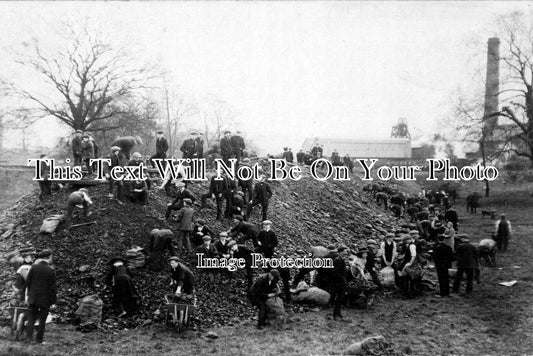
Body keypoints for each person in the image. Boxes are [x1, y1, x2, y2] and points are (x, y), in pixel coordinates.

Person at [25, 249, 56, 344]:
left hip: (33, 298)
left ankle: (28, 339)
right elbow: (52, 289)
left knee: (31, 318)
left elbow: (28, 283)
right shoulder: (51, 271)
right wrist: (53, 302)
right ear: (48, 257)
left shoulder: (33, 267)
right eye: (51, 257)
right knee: (42, 320)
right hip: (44, 300)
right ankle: (39, 340)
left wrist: (29, 295)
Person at [329, 245, 348, 320]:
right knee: (339, 298)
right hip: (338, 282)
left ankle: (338, 313)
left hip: (340, 281)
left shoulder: (340, 259)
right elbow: (335, 272)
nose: (346, 252)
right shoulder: (338, 260)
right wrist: (342, 278)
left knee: (340, 299)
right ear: (341, 252)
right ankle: (336, 315)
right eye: (345, 251)